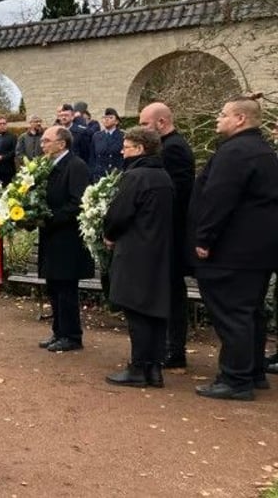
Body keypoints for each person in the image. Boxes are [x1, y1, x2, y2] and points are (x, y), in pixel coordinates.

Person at [189, 93, 278, 401]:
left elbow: (219, 198)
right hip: (258, 251)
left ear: (240, 118)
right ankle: (253, 373)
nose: (218, 118)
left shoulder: (235, 152)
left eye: (223, 114)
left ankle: (235, 379)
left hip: (232, 251)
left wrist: (204, 239)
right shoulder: (263, 150)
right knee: (250, 313)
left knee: (232, 314)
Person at [102, 127, 174, 388]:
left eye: (127, 147)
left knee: (137, 312)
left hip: (135, 251)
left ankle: (138, 367)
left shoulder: (135, 177)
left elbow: (119, 214)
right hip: (159, 251)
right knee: (154, 312)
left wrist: (108, 234)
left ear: (141, 149)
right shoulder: (164, 176)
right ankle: (154, 368)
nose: (122, 151)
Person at [139, 102, 195, 369]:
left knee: (172, 292)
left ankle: (174, 349)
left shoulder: (174, 149)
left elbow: (177, 193)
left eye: (145, 124)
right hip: (165, 232)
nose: (141, 130)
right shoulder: (167, 146)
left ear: (161, 123)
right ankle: (168, 347)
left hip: (171, 234)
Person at [37, 125, 94, 352]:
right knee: (54, 286)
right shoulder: (47, 166)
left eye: (46, 141)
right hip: (52, 236)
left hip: (67, 238)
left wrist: (49, 218)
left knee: (66, 288)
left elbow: (77, 203)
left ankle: (72, 335)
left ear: (62, 143)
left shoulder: (76, 166)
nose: (42, 145)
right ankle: (58, 331)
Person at [90, 108, 124, 181]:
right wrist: (93, 172)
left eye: (110, 118)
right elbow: (92, 156)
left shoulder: (122, 136)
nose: (106, 119)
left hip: (115, 175)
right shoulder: (97, 136)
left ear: (117, 121)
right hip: (99, 175)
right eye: (104, 118)